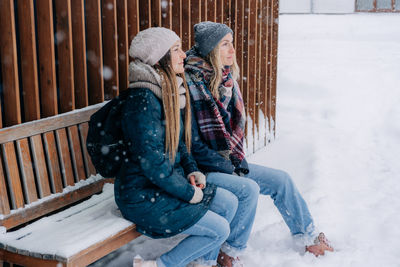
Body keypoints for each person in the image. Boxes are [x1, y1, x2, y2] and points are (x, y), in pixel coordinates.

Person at [184, 21, 334, 260]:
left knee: (281, 180)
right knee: (247, 189)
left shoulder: (224, 80)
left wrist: (232, 164)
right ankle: (230, 252)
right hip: (201, 172)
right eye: (225, 44)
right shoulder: (191, 85)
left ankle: (307, 237)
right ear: (211, 50)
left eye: (232, 43)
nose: (232, 50)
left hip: (227, 165)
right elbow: (191, 145)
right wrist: (226, 167)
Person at [114, 27, 255, 267]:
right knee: (219, 229)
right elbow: (154, 164)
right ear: (159, 59)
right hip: (141, 194)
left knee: (229, 203)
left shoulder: (167, 91)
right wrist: (189, 193)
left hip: (162, 185)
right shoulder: (143, 102)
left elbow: (179, 144)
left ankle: (203, 263)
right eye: (176, 50)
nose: (183, 56)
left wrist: (191, 171)